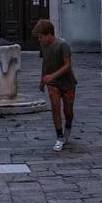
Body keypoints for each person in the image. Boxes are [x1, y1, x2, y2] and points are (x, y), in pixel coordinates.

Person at [33, 18, 77, 152]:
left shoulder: (63, 45)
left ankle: (68, 126)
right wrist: (42, 80)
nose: (39, 40)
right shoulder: (43, 47)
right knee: (55, 107)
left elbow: (68, 65)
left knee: (68, 111)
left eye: (41, 37)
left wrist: (53, 75)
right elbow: (45, 63)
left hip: (67, 81)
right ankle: (59, 136)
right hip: (52, 83)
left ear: (49, 34)